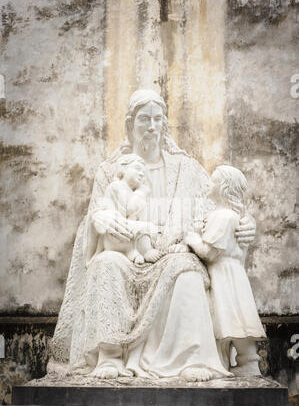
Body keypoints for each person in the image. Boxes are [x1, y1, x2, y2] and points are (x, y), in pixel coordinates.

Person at [49, 89, 256, 382]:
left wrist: (245, 223)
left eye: (158, 119)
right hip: (126, 253)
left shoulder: (187, 169)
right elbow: (94, 219)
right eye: (144, 119)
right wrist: (101, 219)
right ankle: (110, 356)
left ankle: (192, 358)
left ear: (165, 124)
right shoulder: (110, 172)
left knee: (188, 271)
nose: (151, 126)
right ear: (130, 125)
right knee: (105, 264)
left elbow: (222, 205)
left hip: (172, 252)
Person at [185, 165, 266, 375]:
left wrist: (193, 238)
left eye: (213, 181)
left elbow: (209, 252)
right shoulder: (228, 215)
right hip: (232, 273)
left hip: (223, 274)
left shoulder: (223, 216)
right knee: (238, 317)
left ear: (223, 188)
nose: (208, 185)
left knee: (231, 318)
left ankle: (248, 362)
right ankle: (247, 361)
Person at [100, 153, 162, 264]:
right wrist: (141, 192)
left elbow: (138, 216)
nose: (142, 174)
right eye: (137, 169)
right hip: (116, 232)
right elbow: (131, 209)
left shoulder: (129, 191)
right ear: (123, 169)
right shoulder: (117, 186)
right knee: (142, 227)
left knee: (146, 227)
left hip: (126, 231)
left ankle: (133, 252)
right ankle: (145, 251)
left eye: (144, 173)